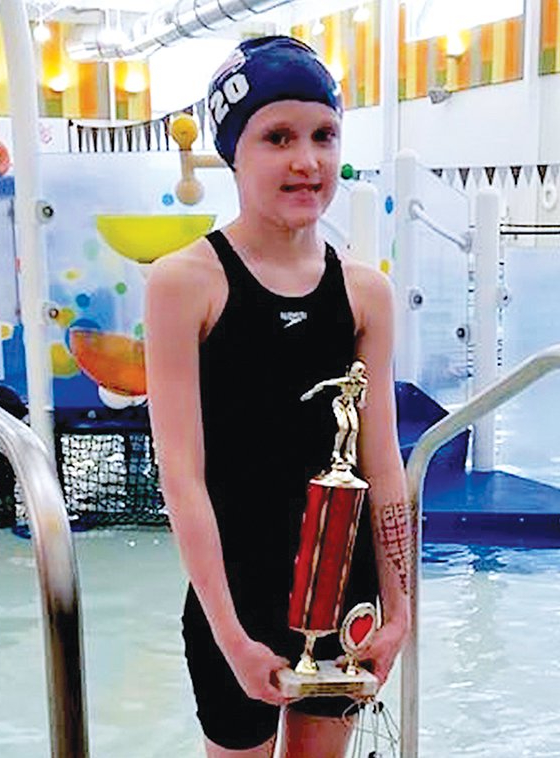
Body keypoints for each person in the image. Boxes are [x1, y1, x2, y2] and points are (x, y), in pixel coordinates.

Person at [146, 36, 412, 758]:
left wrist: (399, 611)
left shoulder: (367, 294)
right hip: (235, 595)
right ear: (234, 153)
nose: (307, 160)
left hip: (343, 587)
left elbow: (383, 465)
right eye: (278, 137)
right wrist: (229, 634)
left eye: (324, 135)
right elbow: (182, 474)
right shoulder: (185, 284)